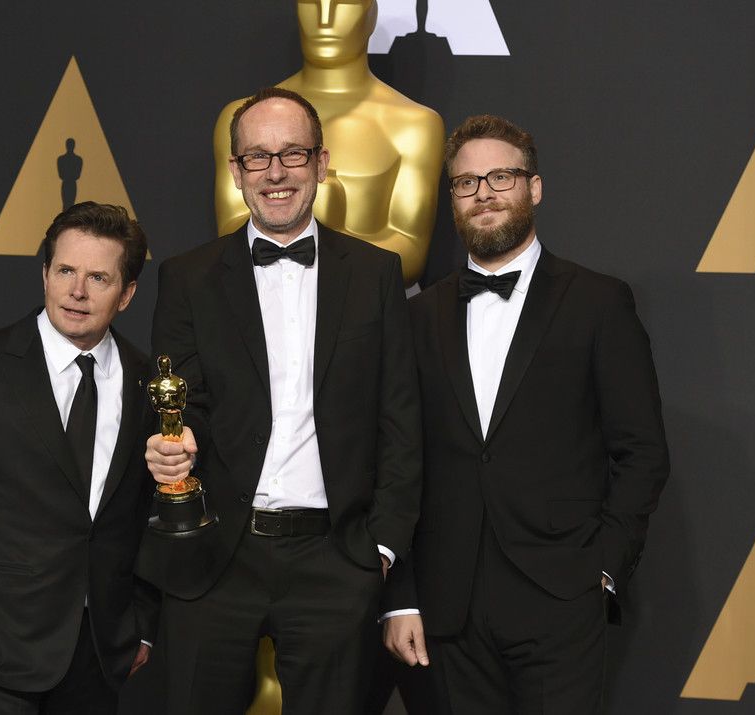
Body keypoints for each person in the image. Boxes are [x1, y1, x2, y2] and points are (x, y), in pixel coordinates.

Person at [138, 87, 421, 715]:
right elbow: (184, 405)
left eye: (292, 153)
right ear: (236, 171)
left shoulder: (375, 273)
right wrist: (176, 447)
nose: (276, 172)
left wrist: (379, 550)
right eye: (258, 157)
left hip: (334, 559)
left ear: (322, 163)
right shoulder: (186, 278)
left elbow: (400, 419)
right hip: (216, 557)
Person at [383, 115, 670, 713]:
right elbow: (395, 461)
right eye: (466, 183)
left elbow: (641, 450)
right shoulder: (416, 317)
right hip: (443, 609)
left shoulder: (598, 302)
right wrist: (401, 596)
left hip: (561, 596)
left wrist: (603, 571)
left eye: (501, 177)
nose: (484, 193)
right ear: (452, 199)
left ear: (534, 188)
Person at [0, 201, 158, 714]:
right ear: (45, 273)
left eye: (98, 278)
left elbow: (149, 513)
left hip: (100, 651)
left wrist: (144, 627)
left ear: (127, 293)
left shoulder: (146, 379)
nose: (77, 291)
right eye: (65, 271)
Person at [212, 0, 445, 287]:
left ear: (371, 13)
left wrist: (326, 234)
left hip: (365, 307)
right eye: (311, 3)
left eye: (344, 3)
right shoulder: (242, 120)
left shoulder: (415, 125)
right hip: (255, 299)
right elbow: (228, 237)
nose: (324, 19)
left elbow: (410, 252)